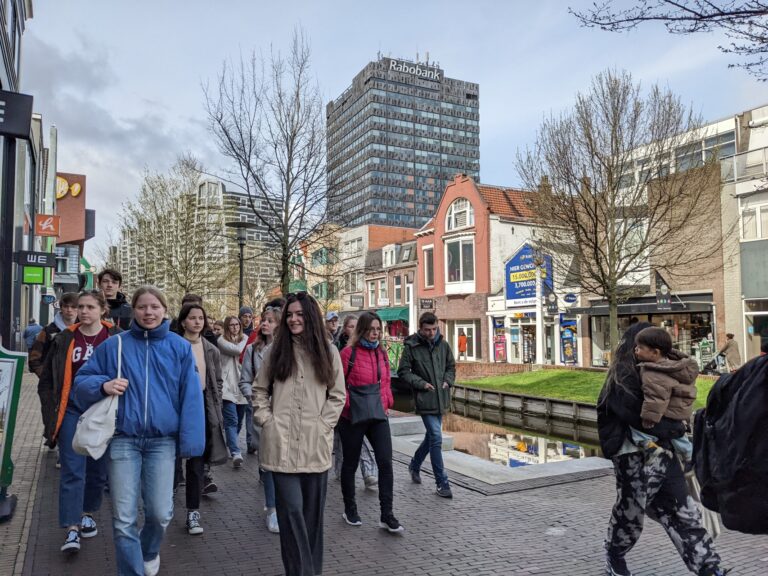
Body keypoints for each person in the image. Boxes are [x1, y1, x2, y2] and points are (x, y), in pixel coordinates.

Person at [73, 285, 204, 576]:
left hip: (162, 441)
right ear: (134, 310)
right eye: (142, 307)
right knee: (124, 518)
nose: (148, 312)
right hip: (123, 440)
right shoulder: (114, 345)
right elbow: (81, 382)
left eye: (155, 307)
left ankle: (148, 550)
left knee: (160, 513)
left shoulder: (179, 348)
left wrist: (192, 443)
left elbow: (192, 397)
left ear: (165, 310)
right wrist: (103, 385)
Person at [598, 322, 727, 576]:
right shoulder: (621, 380)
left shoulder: (657, 372)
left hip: (663, 454)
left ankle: (709, 567)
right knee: (631, 514)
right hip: (634, 458)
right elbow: (639, 416)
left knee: (682, 510)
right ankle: (615, 555)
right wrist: (677, 429)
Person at [253, 291, 345, 576]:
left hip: (314, 446)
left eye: (299, 314)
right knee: (291, 514)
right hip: (280, 447)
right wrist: (267, 421)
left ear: (311, 317)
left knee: (312, 520)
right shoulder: (275, 352)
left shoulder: (328, 352)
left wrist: (323, 425)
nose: (293, 319)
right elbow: (259, 390)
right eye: (289, 315)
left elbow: (337, 395)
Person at [39, 291, 120, 553]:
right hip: (71, 410)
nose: (83, 311)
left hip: (103, 412)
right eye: (80, 307)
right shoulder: (64, 338)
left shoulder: (116, 338)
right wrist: (51, 410)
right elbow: (48, 376)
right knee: (72, 469)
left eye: (90, 307)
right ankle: (71, 528)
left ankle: (88, 512)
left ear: (102, 310)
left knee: (97, 470)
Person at [338, 311, 402, 533]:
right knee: (350, 463)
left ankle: (387, 514)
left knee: (385, 462)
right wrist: (349, 405)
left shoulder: (381, 353)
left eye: (378, 330)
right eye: (371, 329)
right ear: (362, 331)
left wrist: (388, 401)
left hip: (377, 413)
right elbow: (337, 385)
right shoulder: (348, 354)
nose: (375, 334)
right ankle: (350, 509)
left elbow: (385, 382)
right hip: (352, 415)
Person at [176, 303, 228, 536]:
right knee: (171, 461)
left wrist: (216, 407)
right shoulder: (174, 345)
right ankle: (164, 504)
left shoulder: (211, 349)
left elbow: (217, 381)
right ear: (183, 321)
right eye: (192, 318)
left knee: (196, 463)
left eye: (200, 318)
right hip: (177, 409)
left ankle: (192, 511)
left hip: (203, 409)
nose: (197, 322)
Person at [397, 312, 456, 499]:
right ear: (420, 329)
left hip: (441, 398)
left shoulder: (443, 345)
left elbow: (451, 366)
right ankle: (442, 483)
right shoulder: (411, 347)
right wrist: (421, 384)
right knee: (436, 438)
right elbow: (403, 372)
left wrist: (448, 380)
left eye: (434, 329)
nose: (431, 333)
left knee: (431, 436)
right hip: (425, 398)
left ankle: (414, 465)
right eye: (427, 330)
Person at [240, 298, 284, 534]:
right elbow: (245, 381)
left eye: (270, 321)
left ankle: (283, 504)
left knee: (283, 463)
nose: (265, 324)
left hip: (285, 413)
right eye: (263, 320)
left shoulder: (287, 350)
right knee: (268, 463)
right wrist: (256, 400)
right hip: (263, 412)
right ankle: (272, 509)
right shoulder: (251, 350)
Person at [634, 326, 698, 460]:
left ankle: (652, 449)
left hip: (667, 414)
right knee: (681, 440)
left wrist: (649, 419)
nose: (635, 350)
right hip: (679, 412)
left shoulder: (653, 373)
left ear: (655, 352)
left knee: (636, 431)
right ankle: (691, 456)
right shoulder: (673, 365)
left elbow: (656, 398)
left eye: (640, 347)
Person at [29, 292, 79, 448]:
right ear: (61, 308)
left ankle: (62, 444)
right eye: (66, 306)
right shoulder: (49, 331)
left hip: (75, 383)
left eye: (73, 307)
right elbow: (34, 357)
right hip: (51, 386)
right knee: (51, 415)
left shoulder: (83, 329)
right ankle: (53, 438)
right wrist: (46, 375)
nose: (69, 310)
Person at [218, 315, 251, 466]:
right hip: (227, 386)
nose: (235, 327)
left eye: (237, 325)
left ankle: (231, 442)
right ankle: (236, 452)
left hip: (241, 384)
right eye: (232, 325)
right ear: (227, 327)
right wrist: (246, 338)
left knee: (239, 421)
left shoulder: (243, 340)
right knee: (232, 420)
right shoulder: (221, 340)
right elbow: (237, 350)